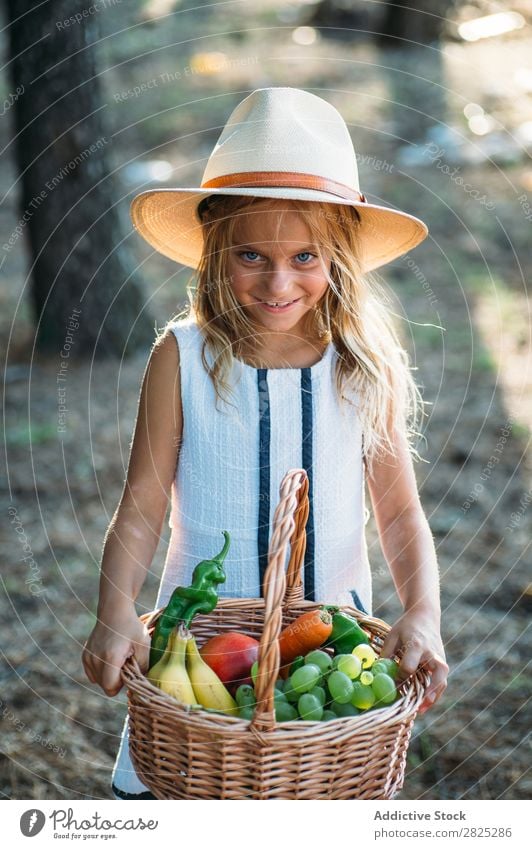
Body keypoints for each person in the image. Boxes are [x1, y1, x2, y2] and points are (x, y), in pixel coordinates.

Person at [82, 86, 448, 799]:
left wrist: (423, 613)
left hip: (331, 651)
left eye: (306, 256)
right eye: (251, 255)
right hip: (201, 658)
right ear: (216, 248)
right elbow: (142, 505)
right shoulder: (180, 359)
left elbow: (400, 514)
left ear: (339, 253)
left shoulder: (361, 364)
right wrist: (113, 609)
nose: (278, 282)